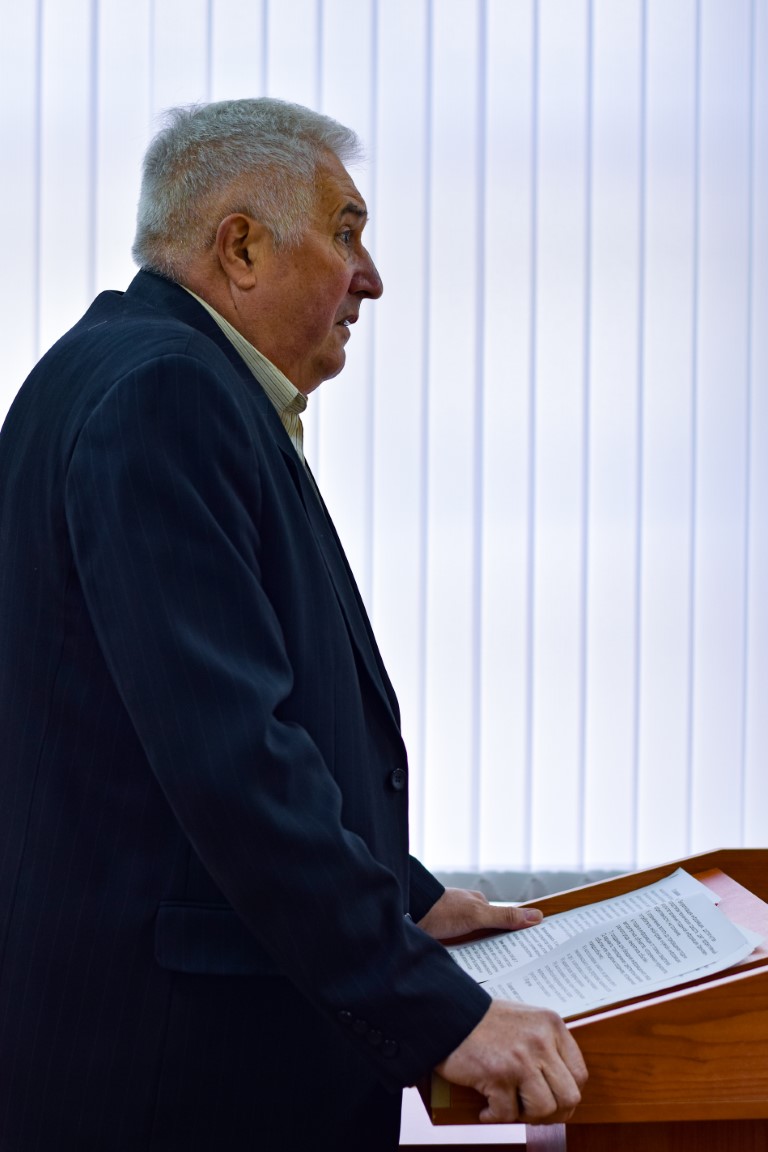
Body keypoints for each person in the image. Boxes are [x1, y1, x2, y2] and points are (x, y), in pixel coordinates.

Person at [0, 98, 586, 1150]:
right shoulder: (166, 396)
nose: (371, 278)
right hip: (181, 1078)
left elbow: (168, 739)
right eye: (347, 233)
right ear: (241, 248)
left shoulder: (131, 370)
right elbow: (233, 759)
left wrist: (405, 898)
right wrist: (435, 1011)